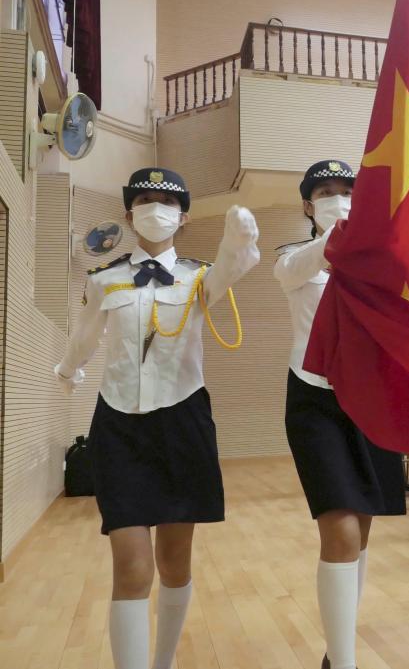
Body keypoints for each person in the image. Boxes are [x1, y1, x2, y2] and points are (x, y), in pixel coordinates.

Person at [54, 168, 260, 669]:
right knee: (131, 568)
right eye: (145, 199)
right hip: (119, 425)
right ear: (129, 214)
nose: (156, 208)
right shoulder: (104, 279)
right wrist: (67, 370)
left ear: (183, 216)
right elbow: (85, 335)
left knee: (173, 563)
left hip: (181, 422)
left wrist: (237, 241)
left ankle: (163, 661)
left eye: (167, 202)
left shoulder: (199, 276)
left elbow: (231, 269)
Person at [274, 160, 407, 669]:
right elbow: (299, 268)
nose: (338, 199)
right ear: (308, 206)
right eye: (326, 192)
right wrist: (343, 236)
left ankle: (338, 650)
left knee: (363, 530)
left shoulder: (382, 264)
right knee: (342, 532)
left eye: (348, 191)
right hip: (315, 401)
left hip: (370, 400)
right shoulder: (294, 258)